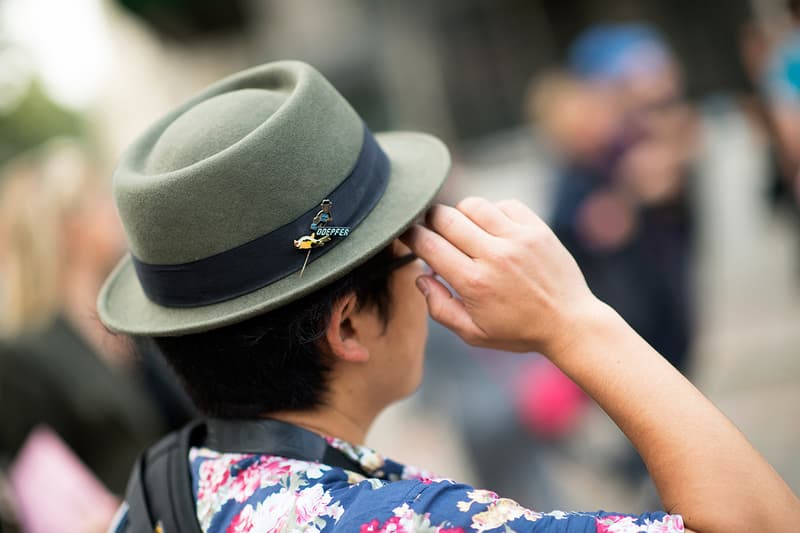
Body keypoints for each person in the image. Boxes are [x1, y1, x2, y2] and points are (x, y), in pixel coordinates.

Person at [101, 61, 800, 533]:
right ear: (349, 325)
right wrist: (575, 319)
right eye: (411, 249)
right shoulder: (413, 520)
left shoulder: (156, 499)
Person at [0, 141, 192, 507]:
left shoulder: (134, 316)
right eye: (100, 201)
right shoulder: (23, 356)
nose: (114, 211)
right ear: (70, 228)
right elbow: (36, 491)